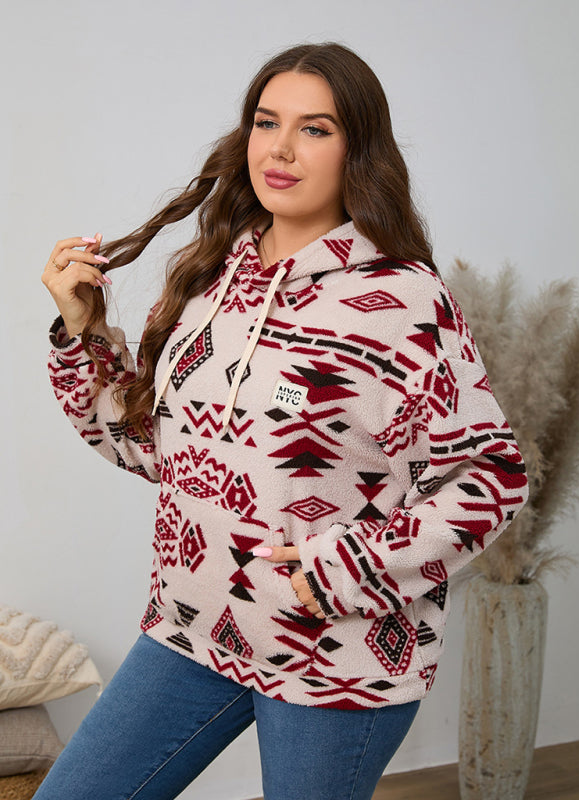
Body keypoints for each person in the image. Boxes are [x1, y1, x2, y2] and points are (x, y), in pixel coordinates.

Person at [37, 42, 528, 800]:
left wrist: (343, 569)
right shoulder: (209, 280)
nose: (282, 148)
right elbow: (153, 450)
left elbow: (491, 477)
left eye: (316, 129)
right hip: (194, 627)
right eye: (267, 123)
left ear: (358, 151)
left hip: (336, 654)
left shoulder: (404, 302)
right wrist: (85, 334)